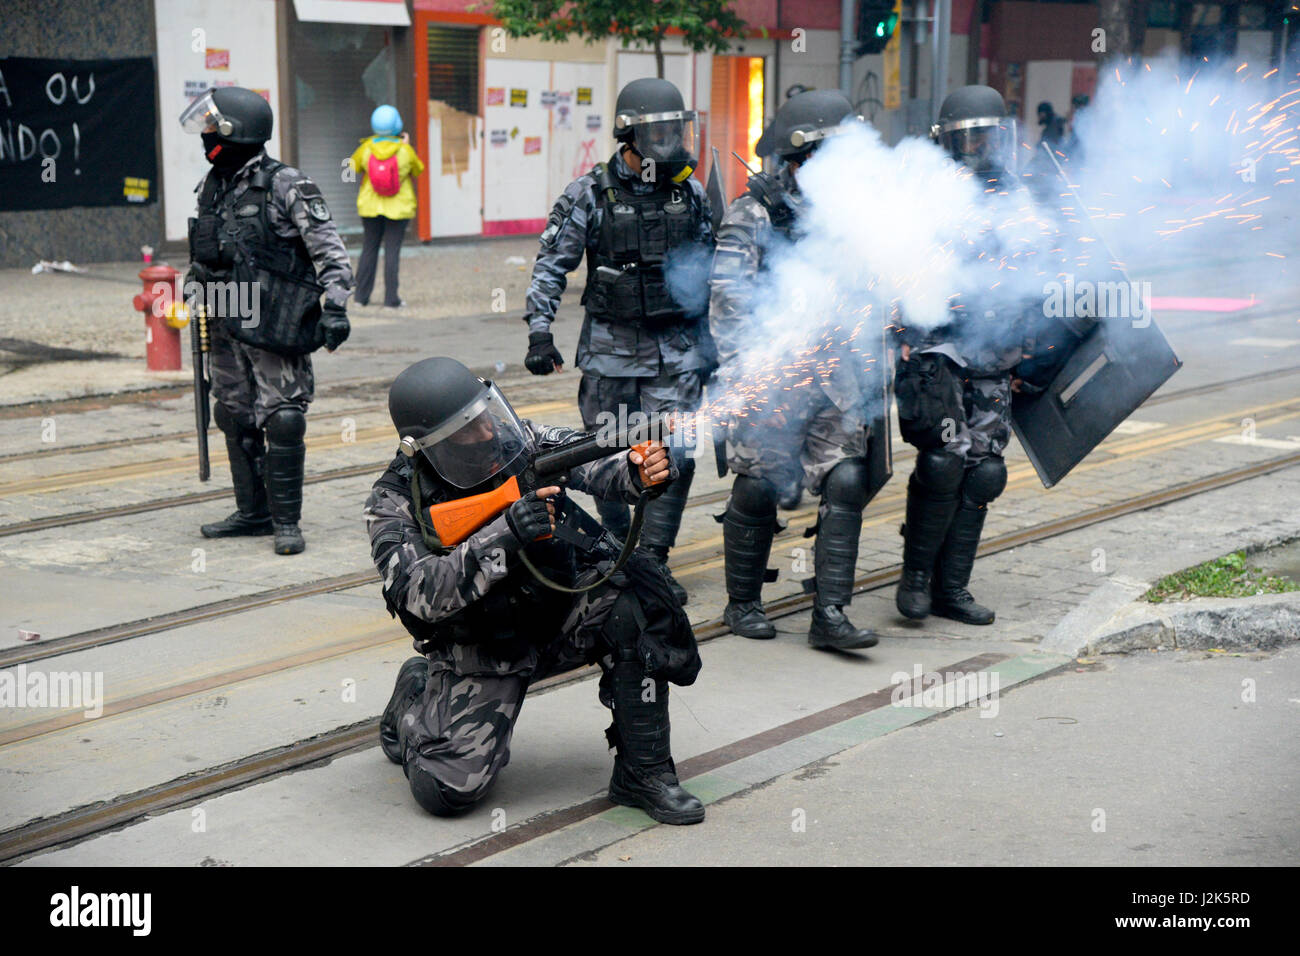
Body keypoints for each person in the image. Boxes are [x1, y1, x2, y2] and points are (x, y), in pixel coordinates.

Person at [366, 357, 705, 824]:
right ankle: (415, 698)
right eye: (468, 430)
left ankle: (644, 772)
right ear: (430, 444)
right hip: (481, 650)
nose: (486, 433)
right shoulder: (393, 501)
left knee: (634, 600)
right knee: (446, 791)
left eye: (485, 415)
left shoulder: (516, 440)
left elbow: (590, 458)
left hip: (555, 617)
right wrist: (504, 532)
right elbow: (419, 593)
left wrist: (635, 471)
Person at [520, 77, 715, 606]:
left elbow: (706, 273)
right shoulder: (588, 192)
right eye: (662, 131)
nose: (673, 140)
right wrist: (540, 330)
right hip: (610, 353)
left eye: (678, 129)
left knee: (675, 455)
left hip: (674, 353)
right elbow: (550, 265)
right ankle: (612, 552)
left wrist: (711, 344)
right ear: (630, 135)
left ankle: (651, 560)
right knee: (607, 453)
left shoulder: (691, 194)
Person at [709, 90, 890, 651]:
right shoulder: (754, 213)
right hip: (771, 375)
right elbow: (728, 301)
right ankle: (742, 603)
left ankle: (829, 614)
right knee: (761, 487)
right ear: (798, 159)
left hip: (835, 378)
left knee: (848, 480)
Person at [180, 86, 353, 555]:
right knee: (232, 413)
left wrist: (335, 307)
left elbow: (330, 253)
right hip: (224, 320)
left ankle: (287, 523)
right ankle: (252, 512)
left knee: (283, 418)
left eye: (214, 127)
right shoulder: (212, 185)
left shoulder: (287, 184)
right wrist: (193, 282)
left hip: (276, 319)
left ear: (237, 131)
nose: (208, 136)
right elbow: (208, 251)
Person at [895, 85, 1038, 625]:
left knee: (985, 473)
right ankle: (913, 580)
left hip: (994, 350)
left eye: (988, 135)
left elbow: (1032, 273)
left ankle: (950, 588)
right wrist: (902, 332)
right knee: (942, 462)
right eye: (969, 136)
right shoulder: (922, 195)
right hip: (940, 349)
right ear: (947, 140)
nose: (979, 146)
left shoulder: (1015, 194)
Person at [349, 105, 425, 308]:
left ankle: (360, 298)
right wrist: (407, 146)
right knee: (392, 251)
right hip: (398, 209)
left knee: (369, 248)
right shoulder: (404, 150)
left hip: (370, 207)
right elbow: (418, 170)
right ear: (397, 124)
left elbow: (352, 167)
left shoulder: (366, 148)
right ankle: (392, 299)